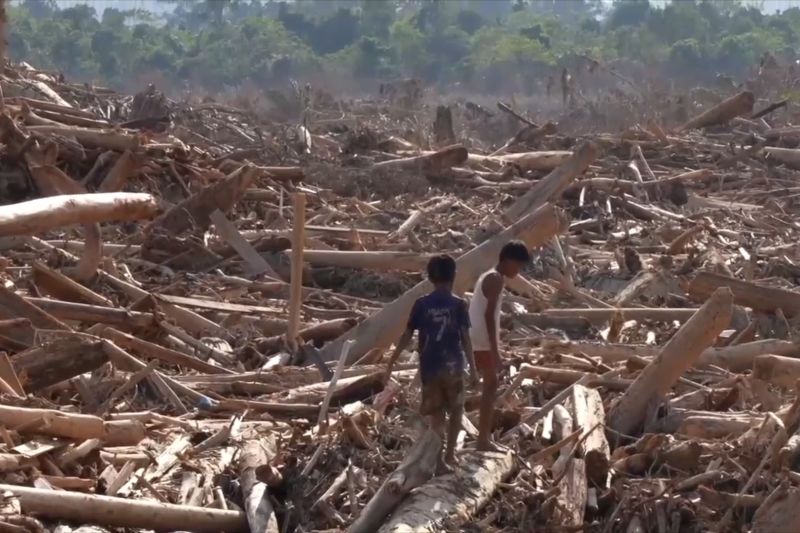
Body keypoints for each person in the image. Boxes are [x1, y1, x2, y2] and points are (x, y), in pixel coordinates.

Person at [384, 255, 476, 472]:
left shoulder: (422, 304)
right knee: (455, 411)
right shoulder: (459, 305)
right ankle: (451, 455)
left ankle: (438, 461)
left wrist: (391, 361)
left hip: (430, 367)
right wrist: (473, 368)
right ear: (453, 276)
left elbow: (406, 336)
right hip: (453, 366)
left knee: (436, 416)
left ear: (430, 277)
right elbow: (465, 338)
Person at [469, 241, 532, 451]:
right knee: (490, 387)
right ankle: (483, 441)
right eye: (518, 265)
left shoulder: (490, 276)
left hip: (477, 338)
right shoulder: (495, 279)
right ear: (507, 260)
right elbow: (488, 316)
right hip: (481, 340)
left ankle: (482, 438)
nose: (518, 270)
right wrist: (495, 352)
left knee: (487, 386)